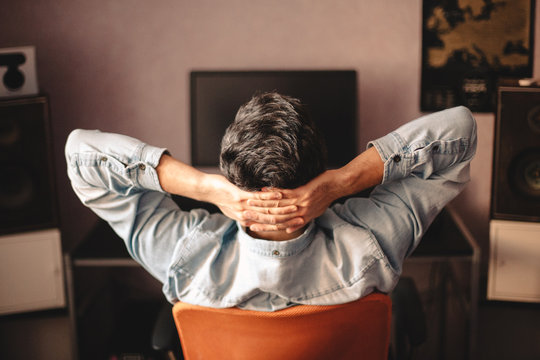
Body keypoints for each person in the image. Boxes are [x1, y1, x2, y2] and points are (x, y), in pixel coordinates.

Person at [65, 92, 477, 311]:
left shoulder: (182, 256)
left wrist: (208, 189)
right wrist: (339, 182)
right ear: (318, 170)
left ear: (232, 176)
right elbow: (459, 131)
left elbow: (81, 156)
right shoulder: (373, 243)